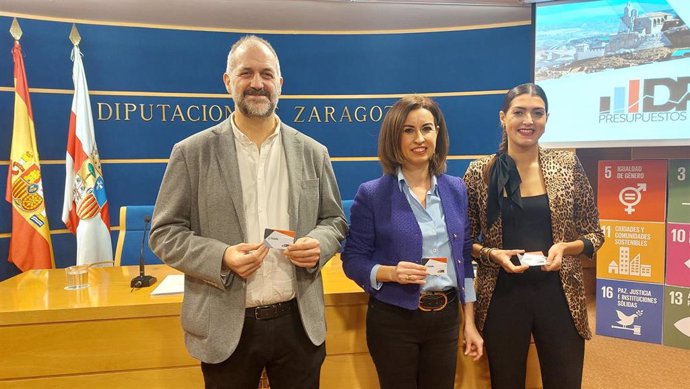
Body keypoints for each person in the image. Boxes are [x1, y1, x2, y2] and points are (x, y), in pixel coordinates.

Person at [149, 35, 347, 389]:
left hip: (298, 324)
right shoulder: (191, 153)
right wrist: (221, 256)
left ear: (280, 84)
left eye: (267, 74)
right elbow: (164, 232)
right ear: (228, 81)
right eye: (246, 73)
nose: (257, 83)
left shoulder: (313, 153)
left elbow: (334, 221)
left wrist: (319, 244)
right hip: (226, 327)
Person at [463, 83, 604, 389]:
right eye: (519, 112)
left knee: (565, 381)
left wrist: (567, 248)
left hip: (560, 294)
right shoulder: (480, 172)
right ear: (503, 117)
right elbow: (463, 240)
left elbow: (595, 234)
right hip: (502, 295)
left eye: (537, 113)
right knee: (506, 382)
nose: (528, 120)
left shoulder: (567, 165)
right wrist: (491, 254)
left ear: (546, 119)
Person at [341, 95, 483, 389]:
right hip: (394, 320)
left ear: (437, 133)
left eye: (427, 128)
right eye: (408, 130)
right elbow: (353, 260)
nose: (419, 139)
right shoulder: (372, 194)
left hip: (445, 319)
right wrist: (390, 272)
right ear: (395, 137)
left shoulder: (456, 189)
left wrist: (469, 322)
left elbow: (464, 260)